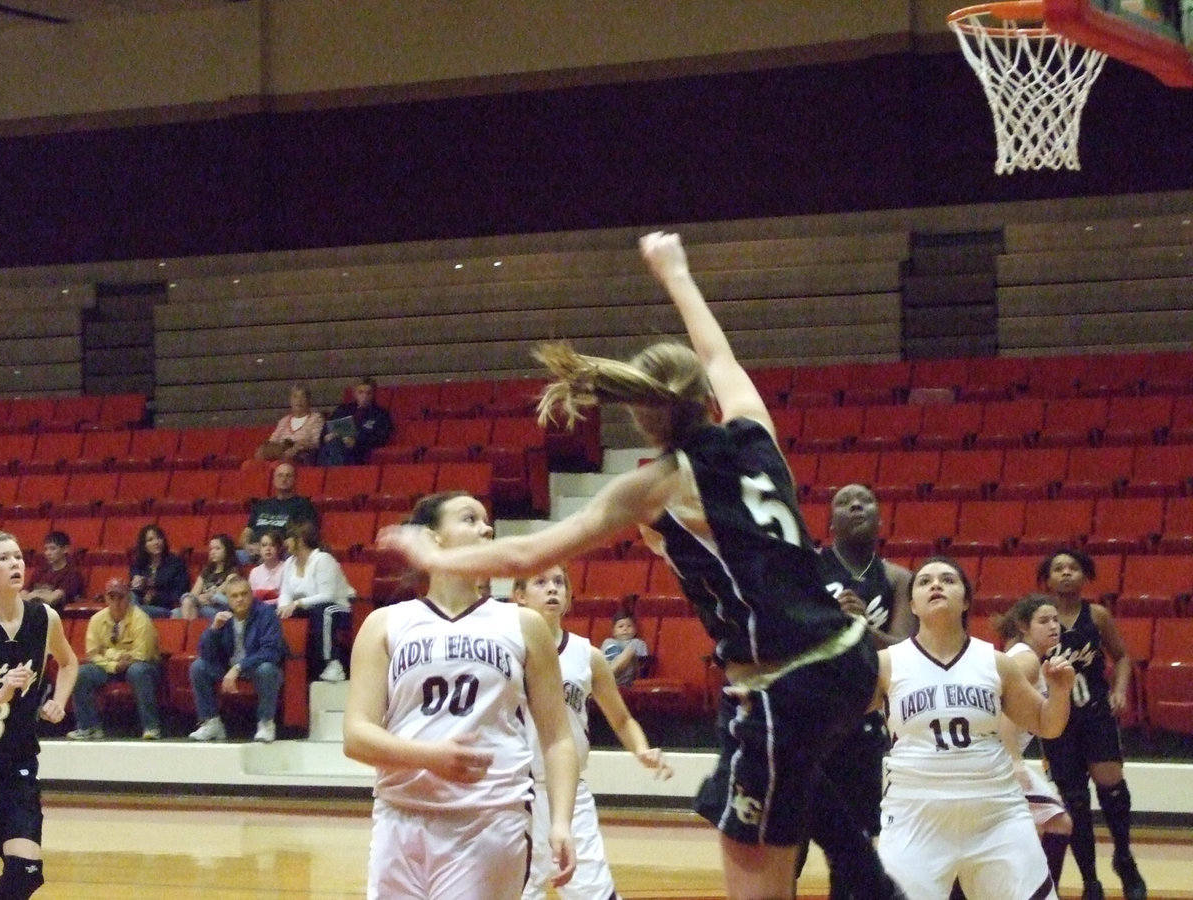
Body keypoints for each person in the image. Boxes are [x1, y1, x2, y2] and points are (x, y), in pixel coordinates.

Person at [378, 232, 905, 900]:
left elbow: (526, 554)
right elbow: (721, 354)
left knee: (749, 856)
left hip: (785, 681)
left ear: (641, 414)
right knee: (790, 784)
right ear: (701, 398)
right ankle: (863, 870)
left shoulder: (661, 481)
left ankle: (869, 878)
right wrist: (676, 274)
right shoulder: (754, 430)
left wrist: (428, 551)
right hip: (852, 662)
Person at [343, 491, 579, 900]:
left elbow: (558, 737)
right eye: (470, 519)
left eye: (487, 522)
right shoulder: (385, 624)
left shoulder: (522, 624)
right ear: (433, 539)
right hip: (399, 817)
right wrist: (429, 757)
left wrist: (560, 822)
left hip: (489, 819)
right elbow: (356, 736)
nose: (486, 528)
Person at [872, 557, 1075, 899]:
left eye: (948, 579)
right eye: (924, 582)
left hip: (997, 815)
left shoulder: (995, 662)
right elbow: (834, 711)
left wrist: (1060, 690)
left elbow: (1047, 724)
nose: (936, 585)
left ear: (966, 600)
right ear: (913, 605)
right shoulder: (887, 664)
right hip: (915, 816)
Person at [513, 564, 673, 899]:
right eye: (541, 582)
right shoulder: (504, 652)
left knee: (593, 893)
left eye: (559, 582)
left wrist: (641, 749)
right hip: (513, 792)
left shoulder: (588, 655)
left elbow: (621, 719)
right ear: (519, 596)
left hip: (569, 794)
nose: (552, 589)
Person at [798, 483, 913, 899]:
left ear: (881, 520)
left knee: (852, 845)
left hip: (864, 719)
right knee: (791, 839)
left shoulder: (898, 578)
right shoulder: (809, 567)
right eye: (845, 502)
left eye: (865, 500)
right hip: (810, 715)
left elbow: (905, 650)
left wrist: (866, 626)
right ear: (830, 522)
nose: (856, 505)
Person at [1037, 549, 1147, 900]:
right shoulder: (1041, 619)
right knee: (1074, 800)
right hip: (1057, 718)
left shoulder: (1096, 615)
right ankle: (1090, 881)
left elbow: (1124, 656)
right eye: (1059, 569)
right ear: (1048, 579)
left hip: (1096, 712)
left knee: (1111, 786)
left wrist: (1119, 689)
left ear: (1085, 576)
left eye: (1073, 567)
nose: (1066, 573)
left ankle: (1124, 859)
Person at [0, 530, 78, 900]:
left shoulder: (45, 618)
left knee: (26, 872)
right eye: (3, 558)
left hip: (17, 763)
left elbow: (70, 662)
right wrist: (1, 693)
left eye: (18, 557)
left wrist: (58, 699)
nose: (15, 564)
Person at [996, 593, 1074, 890]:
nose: (1054, 626)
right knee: (1059, 823)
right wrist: (1015, 761)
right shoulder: (1026, 660)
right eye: (1044, 621)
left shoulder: (1021, 655)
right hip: (998, 758)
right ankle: (1043, 892)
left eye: (1056, 619)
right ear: (1024, 626)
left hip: (994, 756)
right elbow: (1005, 717)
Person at [188, 575, 285, 744]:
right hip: (228, 669)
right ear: (228, 599)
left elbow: (271, 651)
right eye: (234, 596)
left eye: (244, 594)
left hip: (256, 668)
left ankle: (266, 723)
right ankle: (212, 723)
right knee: (198, 666)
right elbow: (206, 653)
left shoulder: (266, 613)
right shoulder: (222, 615)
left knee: (267, 669)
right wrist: (213, 630)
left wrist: (239, 667)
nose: (240, 599)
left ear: (251, 595)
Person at [67, 577, 163, 740]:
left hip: (144, 667)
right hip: (112, 667)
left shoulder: (141, 619)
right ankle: (89, 727)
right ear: (106, 598)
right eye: (112, 597)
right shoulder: (96, 620)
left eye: (121, 597)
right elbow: (93, 654)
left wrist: (108, 652)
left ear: (129, 597)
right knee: (82, 673)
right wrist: (115, 662)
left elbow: (141, 655)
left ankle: (151, 727)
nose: (116, 602)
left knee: (137, 671)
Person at [277, 520, 353, 683]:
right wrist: (283, 608)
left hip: (338, 608)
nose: (285, 542)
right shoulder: (289, 562)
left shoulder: (323, 559)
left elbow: (327, 596)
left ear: (301, 540)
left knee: (324, 611)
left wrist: (297, 604)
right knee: (271, 612)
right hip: (308, 609)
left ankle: (333, 663)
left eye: (289, 538)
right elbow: (285, 592)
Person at [237, 462, 319, 561]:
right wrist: (247, 546)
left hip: (281, 552)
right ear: (274, 480)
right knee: (229, 556)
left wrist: (271, 548)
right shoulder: (262, 505)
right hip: (256, 551)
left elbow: (302, 535)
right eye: (280, 475)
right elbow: (247, 532)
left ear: (295, 480)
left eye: (288, 476)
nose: (284, 479)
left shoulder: (303, 505)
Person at [318, 375, 393, 466]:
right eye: (361, 392)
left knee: (334, 451)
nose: (364, 397)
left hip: (359, 451)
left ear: (373, 394)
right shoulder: (343, 410)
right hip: (335, 444)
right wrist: (326, 436)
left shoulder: (380, 414)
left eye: (368, 393)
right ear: (355, 394)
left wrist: (356, 443)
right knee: (332, 445)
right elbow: (327, 428)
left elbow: (380, 438)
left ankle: (333, 475)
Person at [129, 524, 191, 619]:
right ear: (144, 545)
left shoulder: (175, 563)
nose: (156, 542)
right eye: (150, 540)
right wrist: (136, 585)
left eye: (159, 538)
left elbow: (180, 593)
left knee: (132, 611)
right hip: (141, 606)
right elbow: (135, 593)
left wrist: (155, 597)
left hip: (164, 608)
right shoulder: (138, 565)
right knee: (129, 596)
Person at [254, 382, 325, 465]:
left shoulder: (316, 418)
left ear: (309, 400)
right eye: (295, 396)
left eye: (303, 396)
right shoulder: (283, 421)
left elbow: (315, 443)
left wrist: (295, 449)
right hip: (280, 455)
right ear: (290, 400)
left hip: (302, 457)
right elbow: (272, 441)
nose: (299, 400)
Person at [178, 534, 239, 620]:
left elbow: (217, 594)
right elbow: (194, 593)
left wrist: (200, 598)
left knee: (197, 607)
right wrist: (197, 599)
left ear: (227, 551)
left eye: (217, 549)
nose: (213, 552)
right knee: (176, 611)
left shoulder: (232, 573)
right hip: (200, 604)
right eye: (211, 549)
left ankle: (189, 630)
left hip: (218, 607)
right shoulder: (207, 571)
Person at [20, 530, 84, 611]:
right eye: (46, 549)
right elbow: (22, 595)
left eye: (52, 549)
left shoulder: (72, 574)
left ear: (65, 549)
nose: (48, 553)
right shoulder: (40, 571)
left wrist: (32, 595)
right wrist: (39, 596)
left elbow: (51, 599)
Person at [600, 610, 649, 686]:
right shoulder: (608, 641)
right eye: (620, 626)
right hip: (605, 670)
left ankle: (606, 677)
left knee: (630, 650)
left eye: (629, 626)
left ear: (635, 630)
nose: (625, 629)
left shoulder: (638, 643)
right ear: (614, 632)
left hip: (625, 680)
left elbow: (642, 663)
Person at [248, 528, 286, 605]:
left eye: (272, 545)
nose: (268, 549)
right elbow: (251, 597)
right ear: (260, 549)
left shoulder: (287, 568)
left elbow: (287, 597)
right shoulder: (255, 572)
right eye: (264, 545)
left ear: (279, 549)